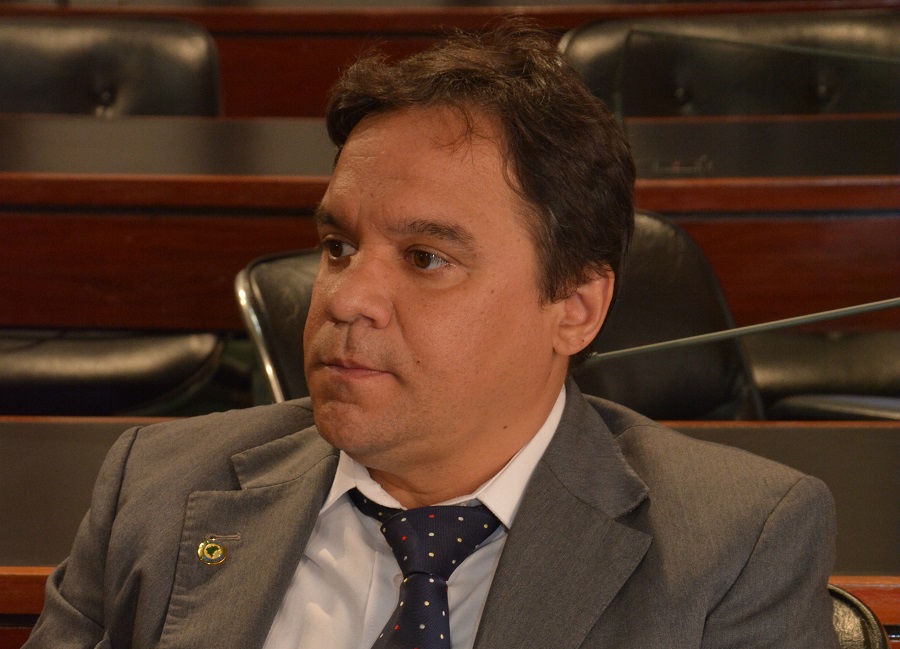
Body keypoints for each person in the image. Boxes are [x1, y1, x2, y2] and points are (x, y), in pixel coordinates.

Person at [24, 21, 838, 649]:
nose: (346, 298)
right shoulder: (156, 490)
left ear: (575, 306)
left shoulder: (734, 545)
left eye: (425, 257)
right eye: (338, 246)